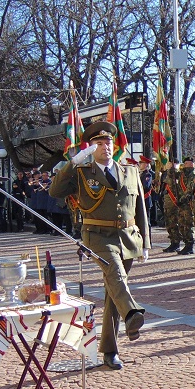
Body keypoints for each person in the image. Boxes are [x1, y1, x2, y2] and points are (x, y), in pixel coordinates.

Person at [49, 121, 149, 370]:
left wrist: (145, 242)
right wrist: (73, 162)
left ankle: (109, 350)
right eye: (99, 143)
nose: (106, 147)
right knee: (116, 275)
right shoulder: (82, 173)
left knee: (114, 292)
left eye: (108, 142)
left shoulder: (130, 171)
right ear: (91, 148)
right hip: (98, 237)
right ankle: (133, 313)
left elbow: (140, 208)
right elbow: (55, 191)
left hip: (128, 237)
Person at [175, 156, 195, 255]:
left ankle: (189, 245)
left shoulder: (193, 175)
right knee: (182, 224)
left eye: (188, 163)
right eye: (185, 163)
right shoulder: (182, 174)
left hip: (188, 203)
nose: (185, 165)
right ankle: (185, 243)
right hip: (181, 203)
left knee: (188, 224)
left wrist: (183, 199)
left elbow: (190, 189)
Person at [160, 161, 183, 252]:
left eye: (169, 163)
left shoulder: (176, 174)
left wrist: (173, 169)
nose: (167, 165)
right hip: (167, 203)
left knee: (174, 224)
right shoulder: (167, 174)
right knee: (169, 224)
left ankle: (176, 243)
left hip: (173, 203)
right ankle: (173, 242)